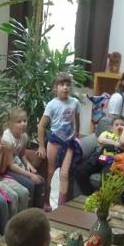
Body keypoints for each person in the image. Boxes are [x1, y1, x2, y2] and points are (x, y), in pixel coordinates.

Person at [36, 72, 82, 210]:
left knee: (65, 174)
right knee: (50, 172)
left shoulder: (75, 103)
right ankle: (46, 201)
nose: (65, 87)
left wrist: (77, 135)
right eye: (62, 84)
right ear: (55, 87)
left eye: (68, 85)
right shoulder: (52, 104)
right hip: (55, 142)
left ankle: (62, 205)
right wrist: (41, 146)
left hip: (69, 143)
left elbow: (77, 120)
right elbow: (41, 126)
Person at [73, 116, 124, 195]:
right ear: (111, 128)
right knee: (80, 171)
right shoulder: (106, 133)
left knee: (106, 177)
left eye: (122, 125)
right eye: (116, 125)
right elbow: (101, 139)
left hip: (113, 163)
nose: (119, 127)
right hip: (98, 159)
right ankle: (90, 195)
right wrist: (116, 143)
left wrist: (123, 135)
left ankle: (102, 197)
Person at [2, 107, 45, 208]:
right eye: (19, 122)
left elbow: (22, 155)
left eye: (24, 121)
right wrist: (30, 175)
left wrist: (28, 165)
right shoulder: (7, 138)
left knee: (40, 181)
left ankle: (37, 210)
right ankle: (28, 212)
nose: (23, 124)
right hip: (7, 168)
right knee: (30, 184)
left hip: (17, 164)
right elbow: (10, 165)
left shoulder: (24, 136)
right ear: (11, 124)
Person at [0, 118, 29, 212]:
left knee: (24, 192)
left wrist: (6, 151)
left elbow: (3, 170)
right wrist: (0, 153)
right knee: (13, 196)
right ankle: (13, 220)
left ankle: (22, 218)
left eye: (0, 134)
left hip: (0, 175)